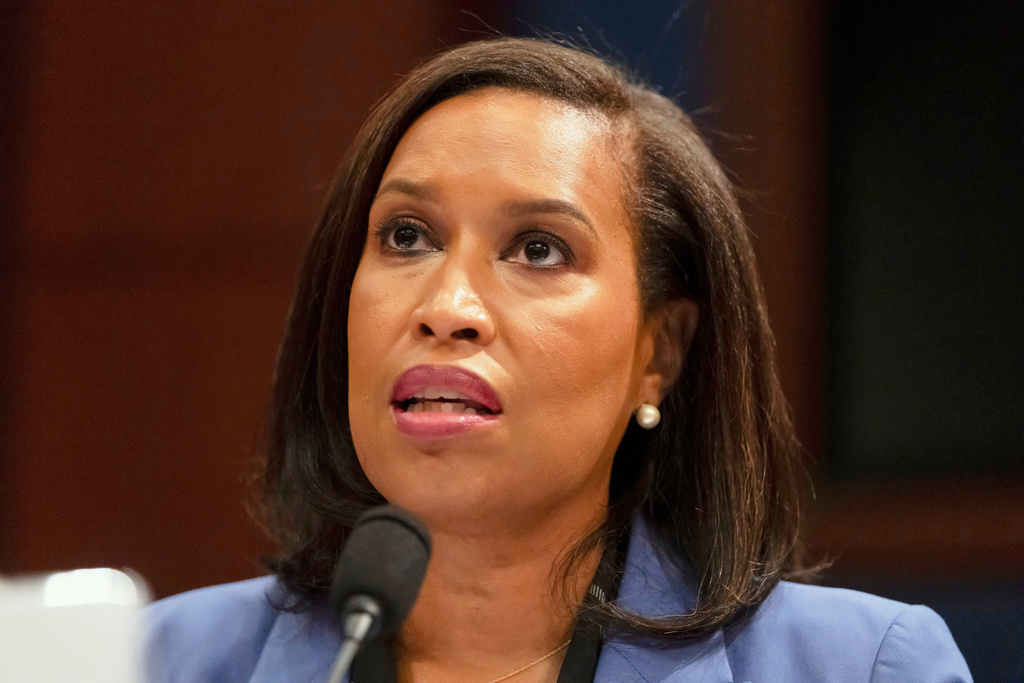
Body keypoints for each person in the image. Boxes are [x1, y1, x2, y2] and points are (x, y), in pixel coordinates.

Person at [144, 37, 971, 682]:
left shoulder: (862, 666)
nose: (446, 308)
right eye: (406, 236)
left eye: (538, 249)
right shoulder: (147, 660)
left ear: (661, 351)